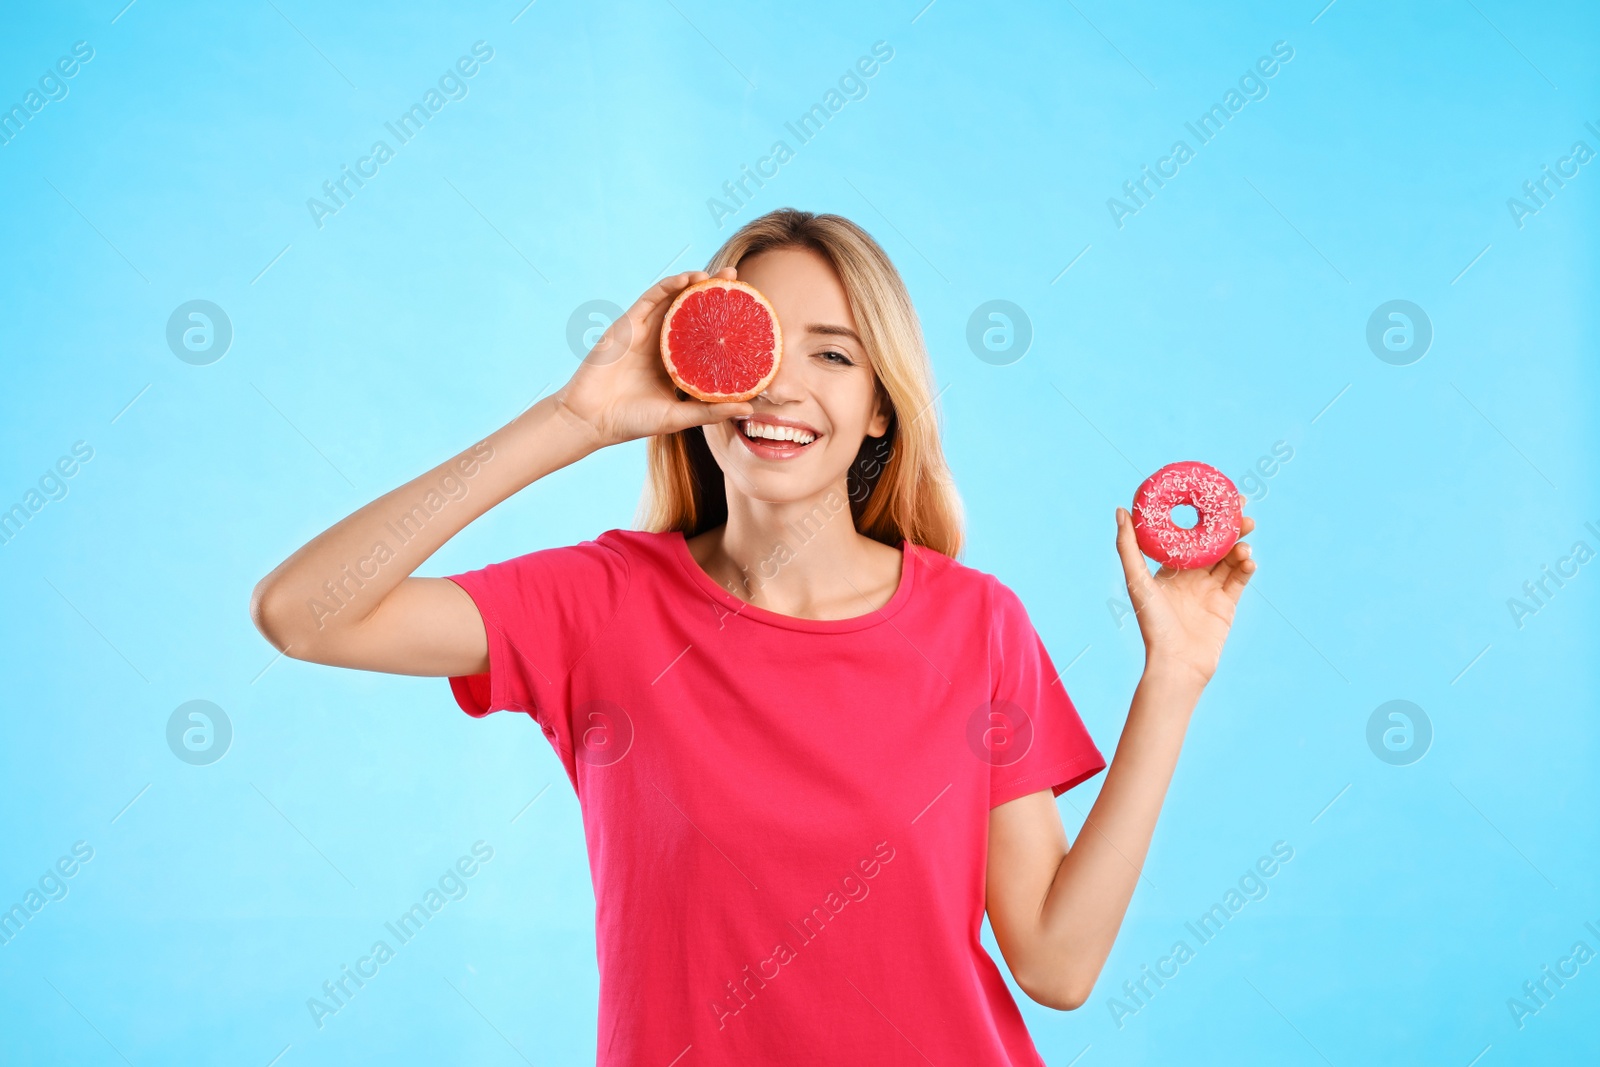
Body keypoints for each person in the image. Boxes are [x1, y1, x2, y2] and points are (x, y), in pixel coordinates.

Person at [250, 208, 1257, 1065]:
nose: (781, 386)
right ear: (698, 378)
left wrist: (1171, 678)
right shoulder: (601, 605)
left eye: (830, 353)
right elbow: (303, 611)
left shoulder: (975, 622)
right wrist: (574, 417)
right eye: (755, 344)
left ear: (877, 409)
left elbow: (1055, 960)